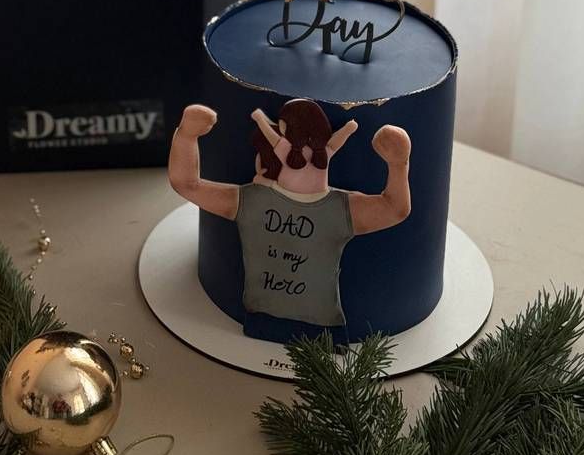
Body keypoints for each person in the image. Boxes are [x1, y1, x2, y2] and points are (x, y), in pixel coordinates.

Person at [168, 98, 411, 341]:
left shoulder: (254, 202)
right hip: (286, 324)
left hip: (312, 331)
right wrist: (397, 165)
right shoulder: (334, 208)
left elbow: (187, 184)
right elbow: (394, 208)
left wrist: (187, 136)